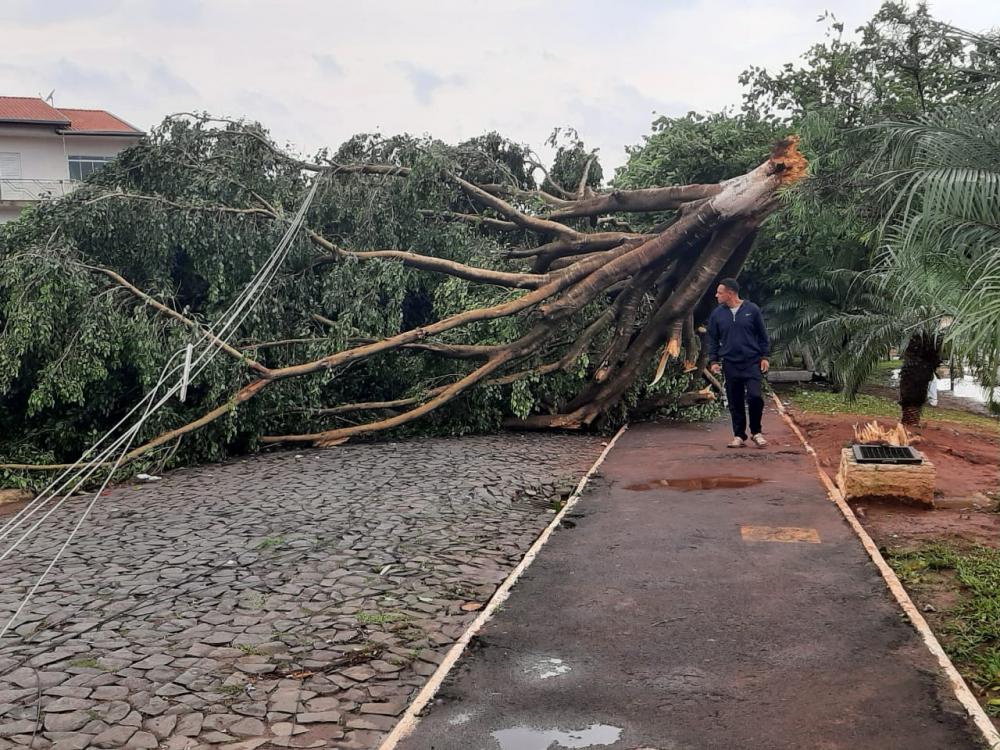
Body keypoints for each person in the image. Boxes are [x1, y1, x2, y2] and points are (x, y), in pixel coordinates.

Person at [707, 278, 770, 448]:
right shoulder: (717, 314)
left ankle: (756, 432)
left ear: (730, 293)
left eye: (720, 293)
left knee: (755, 397)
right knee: (735, 401)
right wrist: (713, 360)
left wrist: (764, 357)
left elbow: (763, 336)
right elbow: (712, 339)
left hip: (751, 362)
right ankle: (739, 435)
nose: (716, 295)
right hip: (730, 364)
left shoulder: (752, 310)